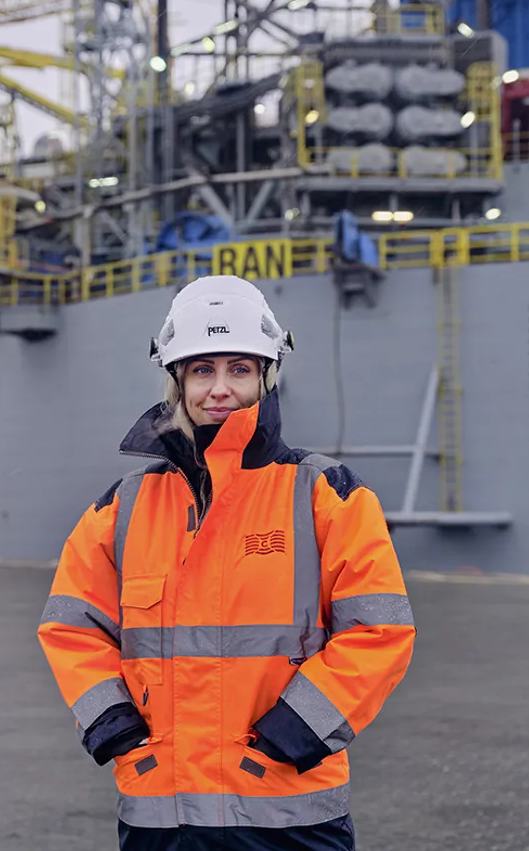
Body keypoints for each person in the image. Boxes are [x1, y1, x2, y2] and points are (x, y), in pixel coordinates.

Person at [37, 275, 416, 851]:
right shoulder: (123, 506)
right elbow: (71, 627)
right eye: (201, 370)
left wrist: (296, 731)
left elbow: (380, 630)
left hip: (290, 813)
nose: (220, 388)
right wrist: (113, 724)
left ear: (267, 376)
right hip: (163, 815)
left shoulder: (325, 492)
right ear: (177, 381)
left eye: (240, 369)